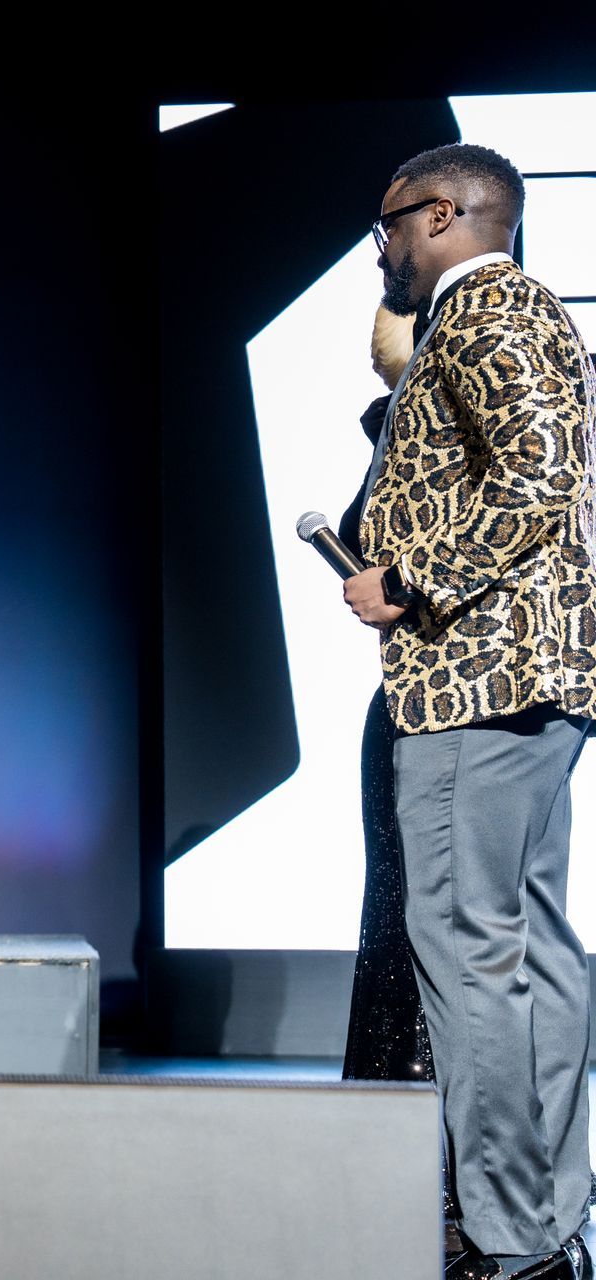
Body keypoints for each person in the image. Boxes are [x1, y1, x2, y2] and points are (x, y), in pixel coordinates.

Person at [345, 142, 596, 1279]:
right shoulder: (528, 314)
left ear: (441, 214)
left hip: (475, 686)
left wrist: (405, 581)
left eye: (389, 222)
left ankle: (510, 1233)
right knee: (531, 950)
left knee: (475, 956)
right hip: (530, 684)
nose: (381, 246)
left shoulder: (488, 309)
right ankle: (546, 1220)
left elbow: (537, 472)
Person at [339, 304, 432, 1086]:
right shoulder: (409, 428)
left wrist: (402, 581)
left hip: (475, 703)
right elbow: (362, 531)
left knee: (457, 919)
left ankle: (467, 1153)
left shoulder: (535, 400)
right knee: (396, 906)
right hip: (407, 695)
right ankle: (389, 1129)